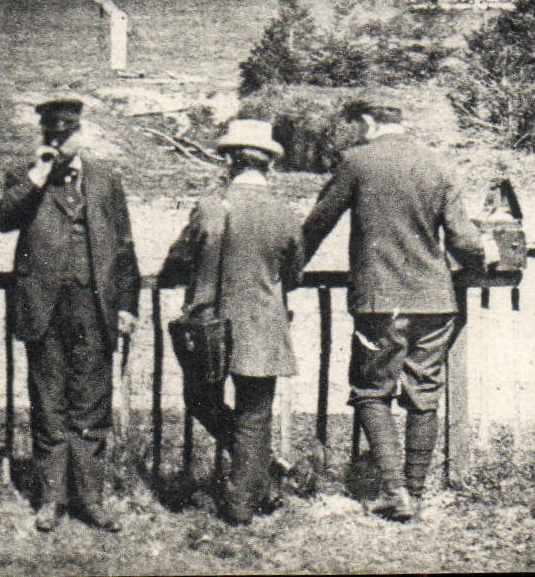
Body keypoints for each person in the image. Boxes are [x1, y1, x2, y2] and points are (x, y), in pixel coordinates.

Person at [301, 96, 501, 521]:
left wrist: (286, 268)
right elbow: (464, 242)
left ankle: (394, 492)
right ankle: (416, 489)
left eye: (357, 126)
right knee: (423, 394)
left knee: (372, 390)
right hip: (435, 302)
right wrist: (484, 261)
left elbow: (318, 223)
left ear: (370, 122)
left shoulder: (357, 162)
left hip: (380, 301)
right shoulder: (439, 165)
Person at [0, 98, 140, 532]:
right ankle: (52, 498)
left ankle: (90, 498)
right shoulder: (27, 178)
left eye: (66, 135)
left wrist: (127, 305)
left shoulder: (106, 180)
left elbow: (126, 249)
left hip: (95, 309)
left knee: (92, 404)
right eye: (50, 136)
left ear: (82, 134)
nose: (58, 143)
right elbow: (2, 219)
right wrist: (36, 178)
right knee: (49, 403)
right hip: (44, 309)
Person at [159, 119, 302, 524]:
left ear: (227, 161)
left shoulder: (209, 206)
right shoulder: (285, 214)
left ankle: (258, 475)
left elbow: (176, 262)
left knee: (200, 400)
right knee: (255, 412)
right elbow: (293, 273)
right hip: (262, 325)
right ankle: (245, 498)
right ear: (270, 165)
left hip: (207, 326)